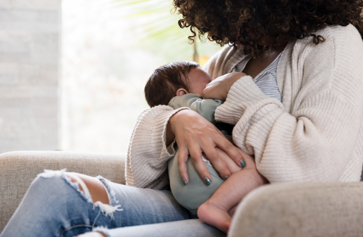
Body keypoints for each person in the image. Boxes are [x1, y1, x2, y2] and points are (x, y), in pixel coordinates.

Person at [1, 1, 363, 237]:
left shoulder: (333, 43)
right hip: (192, 201)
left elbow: (313, 169)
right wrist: (179, 121)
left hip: (251, 216)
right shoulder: (232, 56)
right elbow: (141, 174)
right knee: (55, 190)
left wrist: (240, 91)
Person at [144, 60, 268, 232]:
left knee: (238, 214)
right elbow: (216, 110)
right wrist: (230, 87)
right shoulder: (187, 104)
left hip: (186, 186)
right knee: (255, 172)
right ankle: (215, 205)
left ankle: (221, 211)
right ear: (182, 93)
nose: (212, 86)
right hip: (201, 171)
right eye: (209, 83)